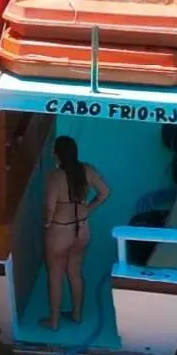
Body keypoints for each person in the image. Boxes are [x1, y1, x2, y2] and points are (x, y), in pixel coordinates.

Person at [42, 136, 109, 331]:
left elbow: (50, 208)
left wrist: (46, 223)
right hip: (82, 228)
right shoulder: (87, 170)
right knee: (75, 274)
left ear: (57, 154)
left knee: (55, 276)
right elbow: (105, 192)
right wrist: (88, 209)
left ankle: (54, 322)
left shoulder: (55, 177)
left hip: (60, 230)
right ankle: (77, 315)